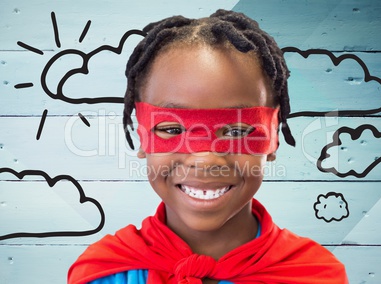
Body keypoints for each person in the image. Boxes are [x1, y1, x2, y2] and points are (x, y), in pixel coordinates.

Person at [68, 9, 348, 284]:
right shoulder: (102, 274)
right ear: (142, 135)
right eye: (172, 129)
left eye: (238, 131)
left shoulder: (315, 276)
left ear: (273, 137)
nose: (204, 159)